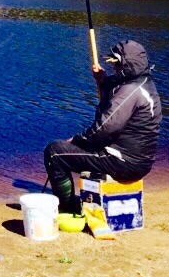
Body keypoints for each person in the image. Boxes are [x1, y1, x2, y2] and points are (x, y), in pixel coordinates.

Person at [44, 39, 162, 213]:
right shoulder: (145, 85)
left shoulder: (130, 91)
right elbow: (114, 99)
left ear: (126, 65)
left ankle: (67, 209)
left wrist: (77, 140)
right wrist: (102, 81)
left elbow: (103, 129)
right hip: (140, 162)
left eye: (117, 65)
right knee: (69, 150)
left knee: (54, 152)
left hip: (123, 162)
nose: (114, 69)